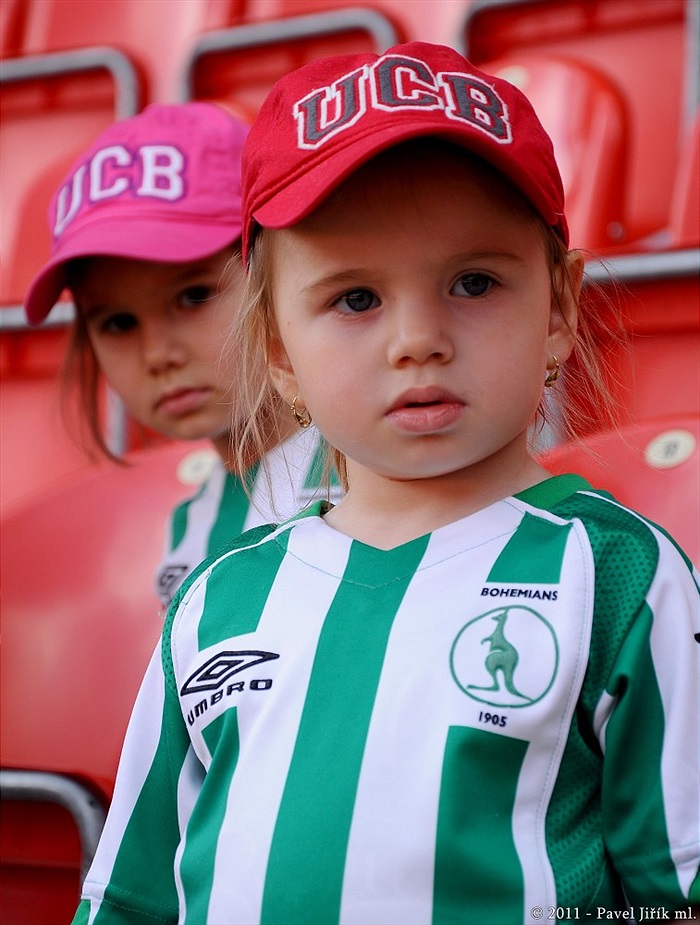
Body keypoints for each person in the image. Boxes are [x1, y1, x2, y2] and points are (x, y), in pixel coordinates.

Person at [71, 44, 699, 924]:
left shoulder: (621, 575)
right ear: (278, 352)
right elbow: (131, 895)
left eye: (473, 282)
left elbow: (676, 897)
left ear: (559, 309)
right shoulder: (216, 600)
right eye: (356, 299)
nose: (417, 339)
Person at [24, 102, 338, 612]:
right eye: (118, 323)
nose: (157, 354)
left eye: (192, 296)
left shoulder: (380, 471)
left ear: (277, 266)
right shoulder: (191, 527)